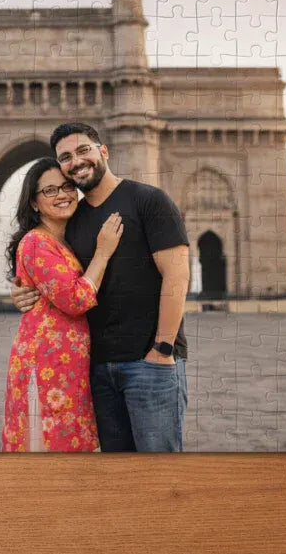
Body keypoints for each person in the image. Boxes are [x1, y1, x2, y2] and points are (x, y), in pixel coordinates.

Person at [12, 123, 191, 452]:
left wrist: (163, 349)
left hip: (148, 363)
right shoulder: (72, 220)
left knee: (160, 475)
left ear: (103, 151)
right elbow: (55, 273)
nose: (76, 161)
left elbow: (177, 276)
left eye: (83, 150)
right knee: (116, 477)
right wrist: (23, 290)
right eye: (66, 157)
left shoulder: (149, 200)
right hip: (95, 371)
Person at [1, 156, 123, 452]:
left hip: (69, 366)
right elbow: (76, 299)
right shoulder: (35, 243)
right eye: (50, 190)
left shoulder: (66, 240)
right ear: (33, 202)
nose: (62, 195)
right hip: (48, 365)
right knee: (51, 451)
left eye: (67, 187)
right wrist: (103, 254)